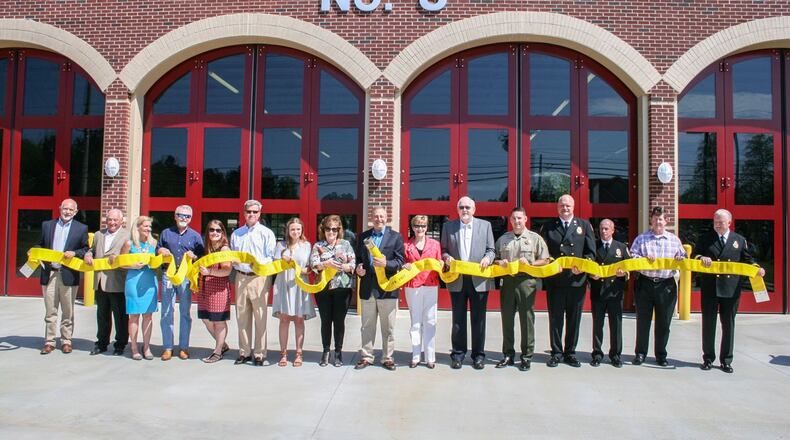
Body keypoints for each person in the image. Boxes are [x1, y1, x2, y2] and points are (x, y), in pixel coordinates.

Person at [694, 209, 765, 373]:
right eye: (715, 221)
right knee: (708, 324)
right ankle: (708, 358)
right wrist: (700, 258)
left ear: (729, 223)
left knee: (729, 325)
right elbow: (695, 256)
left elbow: (748, 260)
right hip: (710, 288)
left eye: (721, 221)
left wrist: (757, 269)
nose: (717, 224)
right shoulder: (705, 238)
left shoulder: (739, 240)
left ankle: (726, 360)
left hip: (730, 290)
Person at [539, 194, 596, 368]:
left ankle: (570, 352)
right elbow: (543, 252)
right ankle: (556, 352)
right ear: (557, 207)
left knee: (574, 319)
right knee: (556, 319)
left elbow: (591, 253)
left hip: (576, 281)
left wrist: (583, 265)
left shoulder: (584, 225)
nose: (565, 208)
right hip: (555, 281)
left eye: (568, 205)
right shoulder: (549, 226)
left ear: (573, 207)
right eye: (562, 205)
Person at [440, 196, 495, 370]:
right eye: (462, 207)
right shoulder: (449, 227)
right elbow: (444, 250)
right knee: (458, 319)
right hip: (457, 279)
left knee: (479, 320)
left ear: (474, 209)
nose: (465, 210)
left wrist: (488, 258)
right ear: (457, 210)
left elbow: (491, 249)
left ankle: (478, 355)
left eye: (468, 207)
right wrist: (447, 257)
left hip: (479, 280)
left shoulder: (485, 226)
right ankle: (458, 354)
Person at [494, 207, 550, 372]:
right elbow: (494, 258)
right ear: (510, 220)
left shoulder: (534, 239)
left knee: (527, 320)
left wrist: (532, 263)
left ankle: (526, 356)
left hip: (526, 282)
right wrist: (499, 263)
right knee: (507, 319)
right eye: (514, 219)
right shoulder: (503, 239)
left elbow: (545, 259)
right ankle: (508, 354)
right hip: (508, 282)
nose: (517, 221)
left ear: (525, 219)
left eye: (520, 218)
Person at [629, 206, 687, 367]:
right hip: (645, 284)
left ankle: (661, 355)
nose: (657, 222)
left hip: (666, 285)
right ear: (651, 221)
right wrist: (642, 257)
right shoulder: (642, 238)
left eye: (660, 219)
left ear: (665, 221)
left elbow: (683, 256)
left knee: (664, 323)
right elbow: (632, 255)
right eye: (655, 220)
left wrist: (680, 257)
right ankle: (640, 353)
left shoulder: (674, 240)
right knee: (643, 321)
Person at [36, 198, 89, 355]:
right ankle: (49, 341)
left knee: (68, 311)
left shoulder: (81, 228)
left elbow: (86, 249)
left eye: (71, 210)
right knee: (50, 311)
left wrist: (75, 253)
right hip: (50, 273)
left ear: (76, 212)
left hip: (69, 274)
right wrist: (33, 251)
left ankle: (66, 341)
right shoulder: (47, 225)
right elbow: (40, 244)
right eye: (65, 209)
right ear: (60, 209)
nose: (67, 212)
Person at [354, 207, 405, 371]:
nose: (379, 219)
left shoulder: (395, 237)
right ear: (371, 218)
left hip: (387, 289)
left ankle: (387, 357)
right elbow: (358, 259)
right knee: (367, 326)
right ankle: (367, 356)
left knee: (388, 327)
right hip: (368, 288)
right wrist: (358, 269)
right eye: (376, 216)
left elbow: (400, 262)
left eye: (382, 216)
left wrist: (386, 264)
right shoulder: (363, 237)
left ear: (387, 218)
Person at [230, 200, 276, 366]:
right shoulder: (237, 234)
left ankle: (259, 353)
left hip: (259, 277)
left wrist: (257, 263)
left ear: (259, 213)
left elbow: (271, 257)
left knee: (260, 316)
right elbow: (233, 255)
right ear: (244, 213)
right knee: (242, 316)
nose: (251, 214)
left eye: (255, 212)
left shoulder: (266, 233)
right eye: (248, 211)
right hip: (241, 276)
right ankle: (244, 352)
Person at [156, 205, 204, 361]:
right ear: (175, 216)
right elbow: (157, 249)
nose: (184, 218)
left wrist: (195, 256)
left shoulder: (196, 237)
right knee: (166, 312)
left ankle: (184, 347)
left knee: (185, 312)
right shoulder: (166, 233)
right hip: (168, 275)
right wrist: (160, 251)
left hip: (185, 277)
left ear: (191, 218)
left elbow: (202, 257)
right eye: (180, 215)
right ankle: (167, 348)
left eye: (187, 216)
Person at [310, 215, 356, 367]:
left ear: (339, 230)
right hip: (323, 288)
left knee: (339, 321)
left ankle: (338, 352)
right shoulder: (318, 246)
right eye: (328, 229)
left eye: (334, 229)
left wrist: (345, 266)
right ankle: (325, 351)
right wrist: (326, 263)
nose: (331, 232)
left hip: (342, 287)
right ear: (323, 230)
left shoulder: (346, 244)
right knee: (325, 320)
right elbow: (314, 265)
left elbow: (353, 264)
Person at [84, 208, 130, 356]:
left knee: (120, 316)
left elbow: (130, 254)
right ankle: (101, 343)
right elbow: (92, 249)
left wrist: (118, 256)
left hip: (117, 281)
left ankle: (120, 344)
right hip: (99, 281)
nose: (112, 222)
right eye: (110, 219)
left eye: (115, 220)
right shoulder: (98, 234)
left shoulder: (128, 235)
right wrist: (88, 254)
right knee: (102, 315)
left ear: (122, 221)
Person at [272, 217, 315, 368]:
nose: (295, 232)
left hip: (300, 284)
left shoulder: (307, 246)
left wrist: (299, 269)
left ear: (301, 230)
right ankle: (283, 353)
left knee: (299, 319)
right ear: (288, 231)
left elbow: (310, 268)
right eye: (292, 229)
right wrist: (284, 257)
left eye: (298, 229)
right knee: (284, 320)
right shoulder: (280, 245)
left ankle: (298, 353)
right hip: (284, 283)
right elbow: (275, 266)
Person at [589, 219, 630, 368]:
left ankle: (615, 355)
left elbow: (629, 267)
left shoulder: (621, 247)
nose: (603, 231)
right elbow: (587, 265)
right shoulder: (594, 245)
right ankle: (597, 354)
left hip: (615, 292)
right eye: (601, 229)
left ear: (613, 230)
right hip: (598, 291)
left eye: (606, 229)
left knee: (616, 325)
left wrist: (623, 274)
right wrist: (590, 275)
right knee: (598, 325)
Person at [403, 215, 441, 369]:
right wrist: (404, 265)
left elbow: (440, 263)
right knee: (416, 322)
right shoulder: (406, 245)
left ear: (427, 228)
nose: (420, 229)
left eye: (423, 226)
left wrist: (441, 264)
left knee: (431, 320)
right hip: (413, 286)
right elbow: (402, 261)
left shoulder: (435, 244)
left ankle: (430, 357)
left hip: (431, 284)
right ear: (412, 227)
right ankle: (416, 355)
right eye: (417, 226)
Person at [120, 216, 159, 361]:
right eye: (146, 226)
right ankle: (134, 347)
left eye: (150, 227)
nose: (148, 229)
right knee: (134, 316)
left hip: (149, 280)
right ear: (137, 227)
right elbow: (120, 263)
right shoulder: (129, 244)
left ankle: (147, 347)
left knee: (148, 316)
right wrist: (132, 266)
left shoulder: (153, 244)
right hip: (133, 281)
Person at [197, 220, 233, 364]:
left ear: (223, 233)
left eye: (218, 230)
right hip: (205, 288)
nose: (215, 233)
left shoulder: (224, 250)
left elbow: (227, 270)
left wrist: (209, 271)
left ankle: (217, 351)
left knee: (218, 321)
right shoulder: (206, 248)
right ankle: (222, 344)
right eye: (212, 230)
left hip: (219, 288)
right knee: (206, 319)